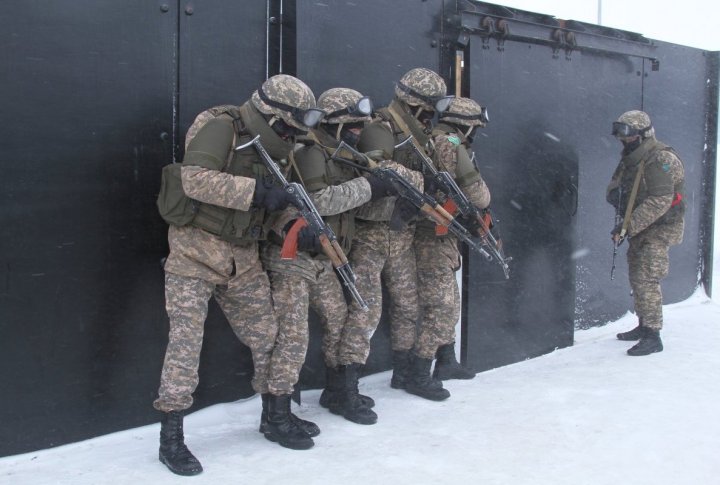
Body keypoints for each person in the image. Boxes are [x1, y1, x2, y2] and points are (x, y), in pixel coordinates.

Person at [153, 74, 323, 475]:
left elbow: (274, 204)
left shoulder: (272, 146)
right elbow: (194, 179)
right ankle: (171, 440)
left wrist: (294, 226)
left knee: (267, 336)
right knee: (184, 350)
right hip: (194, 256)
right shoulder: (222, 128)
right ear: (269, 113)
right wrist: (257, 192)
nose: (289, 135)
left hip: (242, 259)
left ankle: (275, 416)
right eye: (286, 126)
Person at [260, 88, 394, 427]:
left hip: (323, 258)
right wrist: (369, 187)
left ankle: (338, 392)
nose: (358, 132)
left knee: (340, 323)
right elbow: (318, 201)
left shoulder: (340, 152)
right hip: (292, 258)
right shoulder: (310, 151)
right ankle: (276, 416)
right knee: (292, 337)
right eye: (352, 126)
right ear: (333, 124)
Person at [331, 67, 448, 419]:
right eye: (428, 108)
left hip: (400, 231)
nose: (431, 115)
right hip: (371, 231)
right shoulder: (381, 127)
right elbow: (379, 169)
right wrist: (421, 179)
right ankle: (345, 389)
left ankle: (404, 373)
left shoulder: (417, 132)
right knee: (366, 311)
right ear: (415, 103)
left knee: (408, 305)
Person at [413, 96, 491, 386]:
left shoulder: (434, 139)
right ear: (466, 126)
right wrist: (483, 200)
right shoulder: (453, 144)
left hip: (440, 232)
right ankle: (419, 373)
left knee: (450, 302)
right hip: (432, 235)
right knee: (441, 307)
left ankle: (446, 361)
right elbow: (478, 194)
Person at [607, 110, 685, 356]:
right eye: (620, 132)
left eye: (628, 134)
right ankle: (644, 324)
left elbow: (660, 200)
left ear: (642, 134)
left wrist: (627, 226)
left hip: (660, 228)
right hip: (644, 226)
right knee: (637, 273)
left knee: (647, 278)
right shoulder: (634, 156)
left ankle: (653, 335)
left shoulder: (660, 158)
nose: (623, 138)